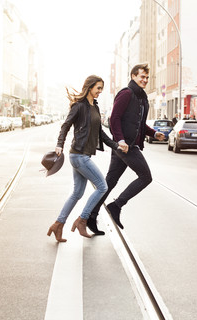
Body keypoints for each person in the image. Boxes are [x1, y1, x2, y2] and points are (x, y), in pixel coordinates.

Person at [87, 63, 165, 234]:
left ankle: (90, 216)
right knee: (146, 177)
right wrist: (120, 140)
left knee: (109, 182)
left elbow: (139, 123)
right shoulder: (126, 94)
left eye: (146, 77)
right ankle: (117, 205)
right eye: (141, 77)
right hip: (125, 146)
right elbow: (114, 118)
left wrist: (153, 133)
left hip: (125, 146)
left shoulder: (142, 97)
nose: (145, 80)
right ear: (133, 76)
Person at [47, 75, 124, 242]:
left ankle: (58, 225)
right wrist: (59, 144)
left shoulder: (94, 107)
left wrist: (116, 145)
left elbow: (101, 134)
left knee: (77, 193)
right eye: (98, 88)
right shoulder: (79, 106)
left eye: (101, 89)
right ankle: (83, 219)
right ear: (89, 87)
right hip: (78, 155)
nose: (100, 92)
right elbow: (66, 125)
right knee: (102, 186)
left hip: (82, 155)